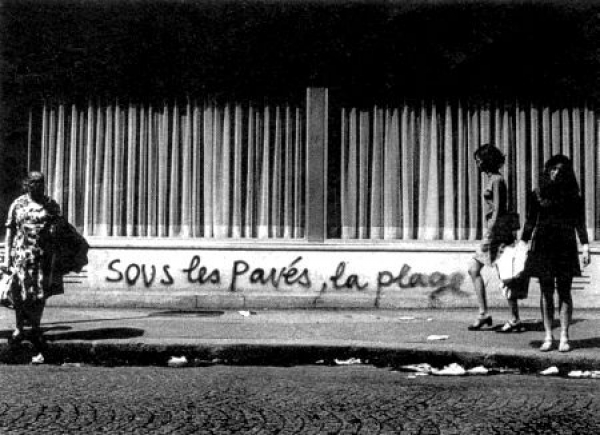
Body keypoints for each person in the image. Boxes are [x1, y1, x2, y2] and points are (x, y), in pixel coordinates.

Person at [520, 155, 591, 352]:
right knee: (546, 291)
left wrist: (585, 246)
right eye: (552, 169)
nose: (556, 173)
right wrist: (522, 244)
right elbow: (530, 221)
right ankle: (548, 335)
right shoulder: (538, 194)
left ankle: (564, 336)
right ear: (547, 170)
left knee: (565, 291)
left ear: (567, 173)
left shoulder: (573, 196)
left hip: (565, 245)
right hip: (543, 244)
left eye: (560, 170)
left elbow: (580, 222)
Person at [1, 171, 62, 364]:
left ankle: (35, 326)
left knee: (39, 294)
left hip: (43, 258)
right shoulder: (18, 204)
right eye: (34, 182)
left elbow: (60, 231)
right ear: (27, 184)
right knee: (19, 293)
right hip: (21, 257)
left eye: (41, 182)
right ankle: (19, 326)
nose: (37, 185)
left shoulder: (51, 205)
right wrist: (6, 258)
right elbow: (10, 231)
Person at [467, 143, 522, 332]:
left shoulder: (497, 180)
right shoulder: (492, 179)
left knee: (503, 275)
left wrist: (490, 233)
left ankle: (513, 318)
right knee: (476, 269)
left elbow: (499, 209)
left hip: (495, 234)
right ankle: (485, 314)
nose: (478, 164)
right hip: (493, 232)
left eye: (479, 160)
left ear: (487, 161)